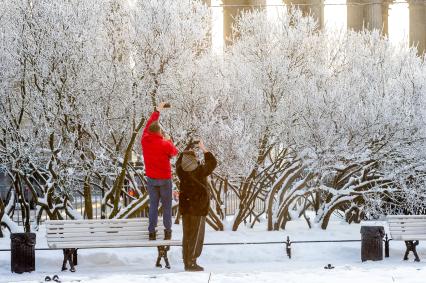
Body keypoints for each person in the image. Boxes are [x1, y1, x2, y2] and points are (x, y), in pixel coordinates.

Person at [176, 140, 217, 271]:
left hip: (185, 207)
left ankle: (186, 261)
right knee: (196, 236)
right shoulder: (199, 170)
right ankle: (192, 262)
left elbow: (179, 160)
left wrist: (187, 148)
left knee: (187, 235)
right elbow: (212, 163)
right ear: (194, 158)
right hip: (198, 208)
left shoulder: (180, 170)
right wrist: (203, 148)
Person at [141, 102, 178, 240]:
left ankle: (152, 232)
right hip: (165, 179)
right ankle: (167, 232)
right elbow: (175, 152)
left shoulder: (145, 140)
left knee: (153, 206)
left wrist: (157, 111)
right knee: (167, 207)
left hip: (151, 179)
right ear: (159, 132)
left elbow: (147, 126)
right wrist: (169, 140)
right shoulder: (164, 144)